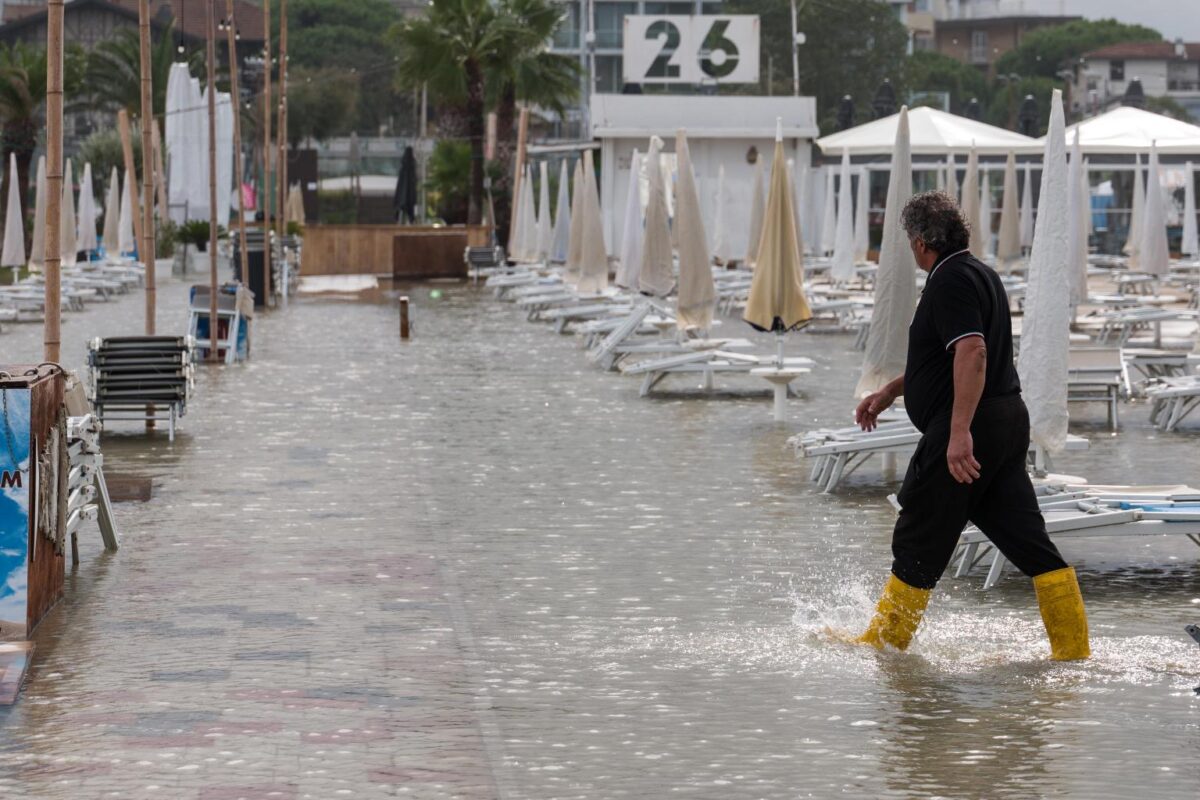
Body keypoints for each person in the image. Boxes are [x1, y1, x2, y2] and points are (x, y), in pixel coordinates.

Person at [851, 191, 1089, 661]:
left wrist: (959, 433)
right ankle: (1073, 650)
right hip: (1005, 420)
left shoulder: (950, 281)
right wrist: (891, 391)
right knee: (1027, 540)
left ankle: (885, 649)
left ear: (921, 242)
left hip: (972, 426)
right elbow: (945, 359)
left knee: (917, 534)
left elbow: (973, 352)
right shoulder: (981, 273)